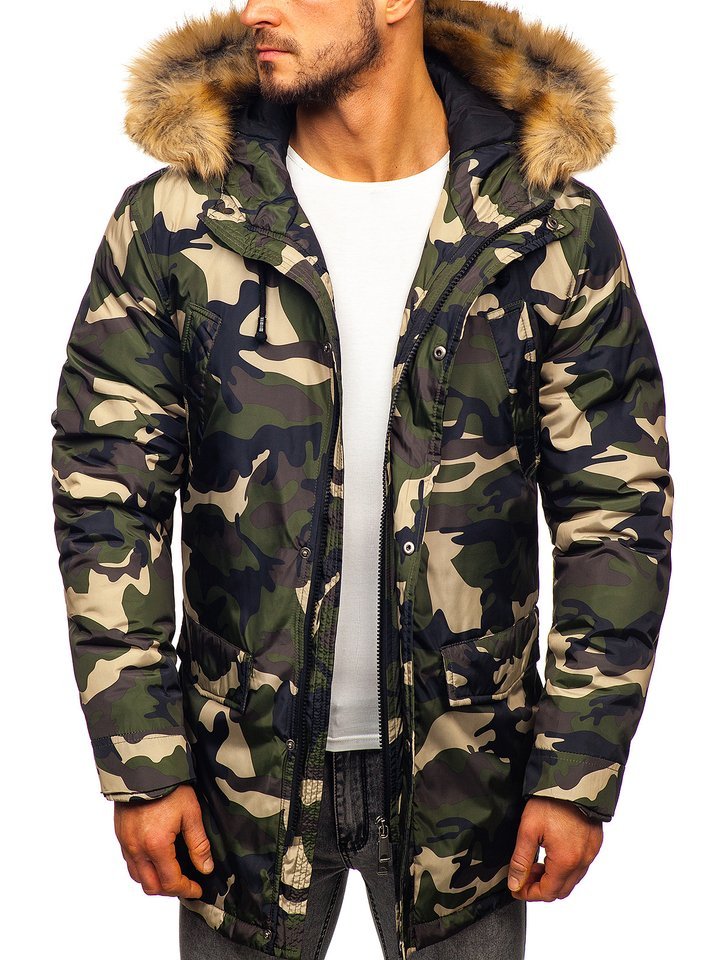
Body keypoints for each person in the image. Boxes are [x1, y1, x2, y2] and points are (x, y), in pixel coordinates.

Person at [49, 2, 674, 959]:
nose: (255, 10)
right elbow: (106, 497)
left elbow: (617, 509)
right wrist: (142, 760)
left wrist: (576, 769)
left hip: (470, 790)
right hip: (238, 788)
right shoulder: (179, 220)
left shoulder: (547, 225)